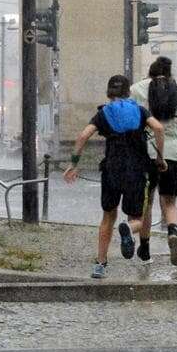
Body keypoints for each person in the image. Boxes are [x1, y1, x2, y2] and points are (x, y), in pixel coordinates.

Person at [63, 75, 167, 279]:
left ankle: (100, 264)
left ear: (109, 93)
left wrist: (73, 164)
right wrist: (160, 157)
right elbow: (159, 128)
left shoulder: (103, 113)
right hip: (137, 170)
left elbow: (83, 136)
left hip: (111, 170)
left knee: (108, 217)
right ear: (128, 91)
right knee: (137, 218)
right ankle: (128, 228)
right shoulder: (139, 110)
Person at [130, 57, 177, 266]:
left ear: (150, 73)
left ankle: (145, 248)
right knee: (169, 202)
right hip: (175, 153)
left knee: (147, 202)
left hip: (148, 153)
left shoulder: (136, 90)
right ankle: (171, 231)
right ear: (170, 74)